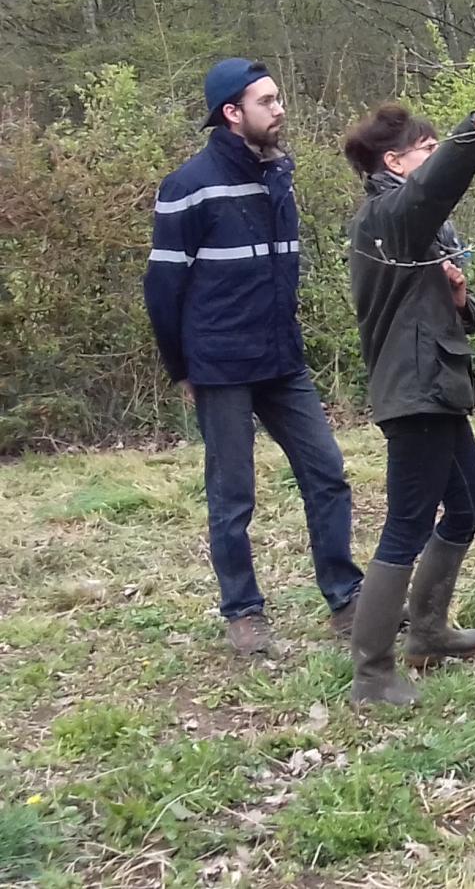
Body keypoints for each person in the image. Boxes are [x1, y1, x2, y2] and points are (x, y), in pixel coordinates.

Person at [144, 58, 365, 658]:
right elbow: (162, 290)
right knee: (233, 495)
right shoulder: (188, 185)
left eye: (278, 98)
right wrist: (180, 368)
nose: (280, 108)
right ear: (231, 113)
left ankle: (346, 600)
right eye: (267, 101)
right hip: (220, 366)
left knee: (327, 474)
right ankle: (243, 614)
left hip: (282, 360)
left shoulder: (279, 176)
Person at [339, 66, 475, 708]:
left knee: (470, 506)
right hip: (413, 391)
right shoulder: (385, 216)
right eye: (424, 151)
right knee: (404, 525)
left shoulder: (413, 229)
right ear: (396, 163)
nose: (430, 161)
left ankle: (427, 634)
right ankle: (371, 674)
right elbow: (437, 187)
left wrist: (457, 295)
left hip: (439, 385)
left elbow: (456, 315)